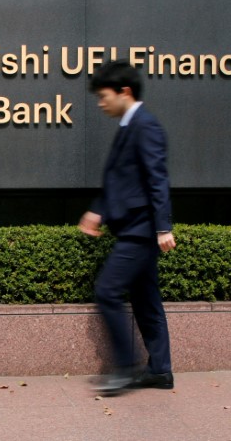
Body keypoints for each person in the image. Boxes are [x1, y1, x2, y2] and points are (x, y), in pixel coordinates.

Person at [78, 59, 177, 394]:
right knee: (146, 300)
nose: (100, 102)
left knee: (106, 291)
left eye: (104, 95)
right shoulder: (127, 126)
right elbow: (120, 180)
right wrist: (98, 212)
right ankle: (160, 370)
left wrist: (163, 227)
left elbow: (157, 179)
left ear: (125, 91)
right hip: (132, 227)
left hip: (140, 230)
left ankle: (125, 366)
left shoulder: (145, 126)